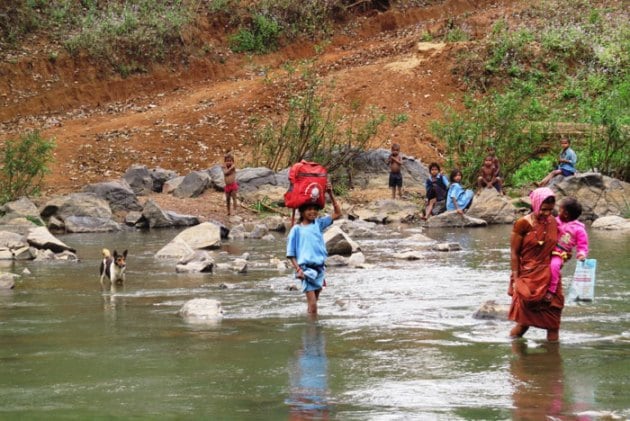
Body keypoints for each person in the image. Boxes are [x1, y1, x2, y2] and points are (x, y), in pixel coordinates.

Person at [508, 187, 561, 342]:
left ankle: (551, 363)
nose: (547, 213)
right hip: (528, 278)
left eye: (550, 210)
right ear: (535, 205)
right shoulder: (522, 224)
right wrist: (516, 280)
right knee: (523, 324)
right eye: (543, 209)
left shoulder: (554, 222)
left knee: (553, 325)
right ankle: (516, 362)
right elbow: (514, 253)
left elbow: (561, 246)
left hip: (551, 279)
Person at [287, 183, 342, 316]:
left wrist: (330, 194)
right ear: (302, 211)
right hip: (306, 270)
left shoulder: (318, 224)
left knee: (314, 303)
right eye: (308, 209)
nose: (312, 212)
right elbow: (290, 254)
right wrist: (298, 269)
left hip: (319, 269)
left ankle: (311, 330)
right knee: (313, 305)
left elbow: (338, 213)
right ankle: (313, 332)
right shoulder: (296, 229)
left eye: (314, 209)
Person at [549, 197, 589, 296]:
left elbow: (583, 245)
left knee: (554, 266)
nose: (558, 212)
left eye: (560, 210)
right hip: (548, 248)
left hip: (560, 253)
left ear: (565, 213)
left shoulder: (579, 229)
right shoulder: (555, 221)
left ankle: (551, 289)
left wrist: (581, 254)